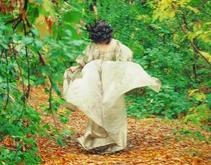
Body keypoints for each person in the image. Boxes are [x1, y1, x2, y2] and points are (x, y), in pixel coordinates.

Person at [63, 20, 162, 154]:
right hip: (96, 83)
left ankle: (115, 142)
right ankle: (95, 142)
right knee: (97, 109)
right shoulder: (93, 47)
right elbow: (85, 62)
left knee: (113, 110)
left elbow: (126, 60)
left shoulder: (117, 46)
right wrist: (75, 68)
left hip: (112, 84)